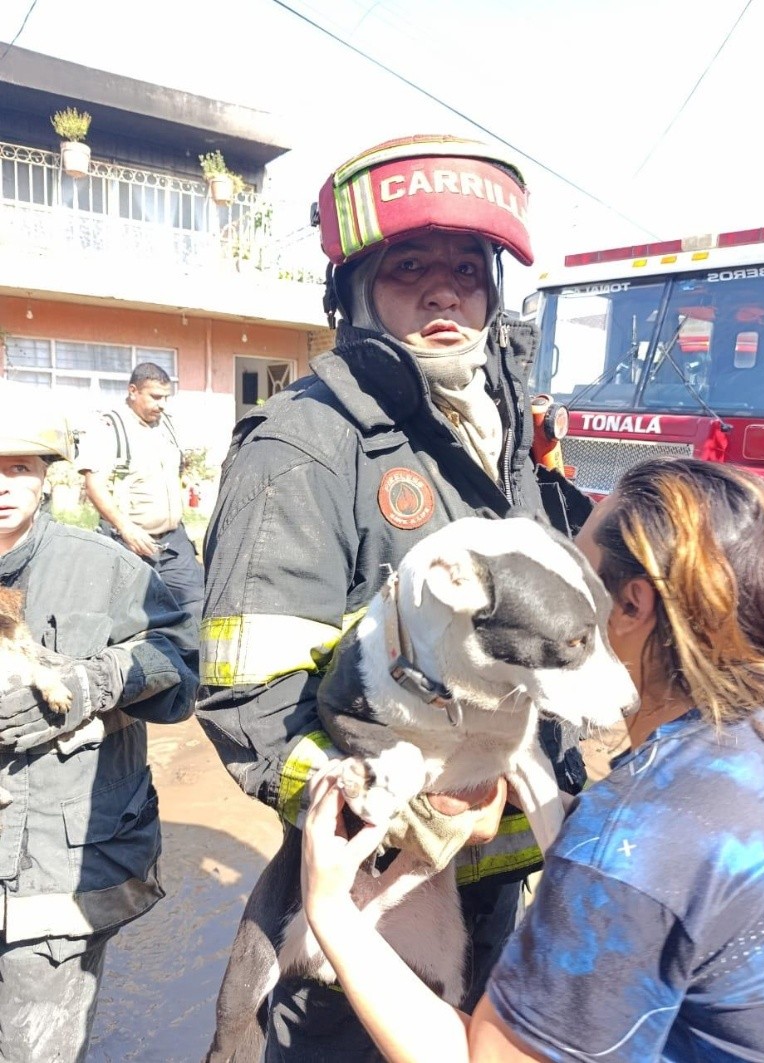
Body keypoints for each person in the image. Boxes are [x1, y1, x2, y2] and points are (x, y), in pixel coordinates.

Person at [197, 134, 591, 1058]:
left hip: (497, 902)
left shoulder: (506, 443)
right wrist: (417, 811)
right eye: (410, 266)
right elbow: (251, 701)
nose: (445, 291)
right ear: (355, 294)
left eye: (468, 268)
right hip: (366, 920)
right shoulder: (302, 450)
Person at [301, 455, 764, 1063]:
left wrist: (332, 913)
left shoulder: (628, 851)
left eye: (575, 574)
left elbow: (488, 1060)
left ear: (632, 606)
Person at [0, 387, 199, 1062]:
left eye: (19, 468)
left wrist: (91, 685)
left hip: (60, 872)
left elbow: (179, 664)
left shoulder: (103, 566)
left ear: (46, 475)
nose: (3, 485)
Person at [78, 361, 204, 631]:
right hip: (129, 542)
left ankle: (192, 658)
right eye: (155, 397)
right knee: (135, 619)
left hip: (173, 542)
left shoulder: (166, 424)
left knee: (196, 607)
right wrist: (127, 528)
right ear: (133, 391)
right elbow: (94, 485)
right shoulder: (109, 427)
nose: (162, 404)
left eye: (166, 397)